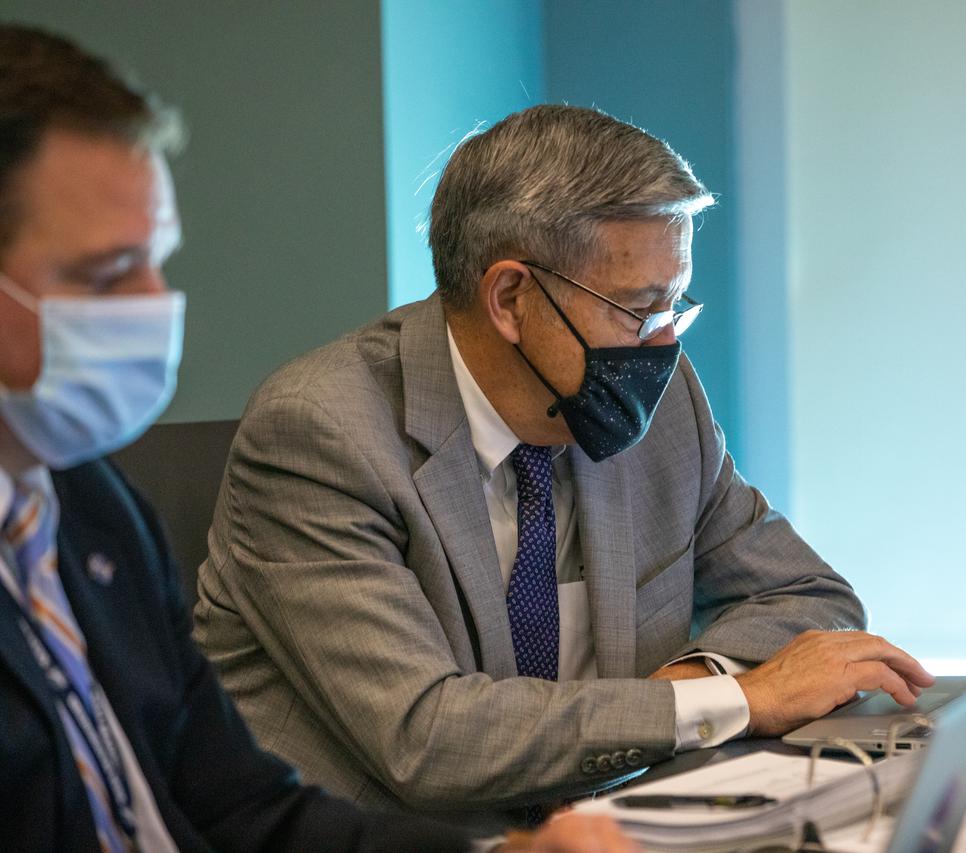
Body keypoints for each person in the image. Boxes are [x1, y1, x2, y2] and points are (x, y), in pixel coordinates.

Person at [194, 104, 935, 814]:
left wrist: (689, 684)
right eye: (637, 309)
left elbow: (810, 597)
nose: (663, 346)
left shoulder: (662, 403)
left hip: (608, 829)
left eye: (674, 306)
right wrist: (737, 699)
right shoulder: (320, 434)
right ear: (512, 298)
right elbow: (429, 736)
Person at [0, 23, 633, 852]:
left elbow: (249, 815)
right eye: (104, 272)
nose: (157, 302)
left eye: (155, 260)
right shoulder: (319, 426)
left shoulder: (87, 502)